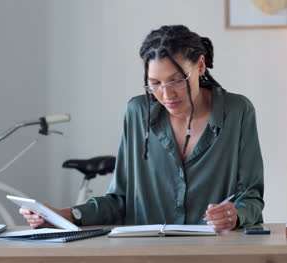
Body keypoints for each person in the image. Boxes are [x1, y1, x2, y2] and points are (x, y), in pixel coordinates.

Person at [20, 25, 264, 230]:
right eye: (155, 83)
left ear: (200, 66)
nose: (167, 94)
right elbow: (121, 200)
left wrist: (235, 215)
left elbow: (251, 197)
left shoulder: (237, 111)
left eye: (176, 80)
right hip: (147, 253)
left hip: (220, 252)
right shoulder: (138, 113)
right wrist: (68, 215)